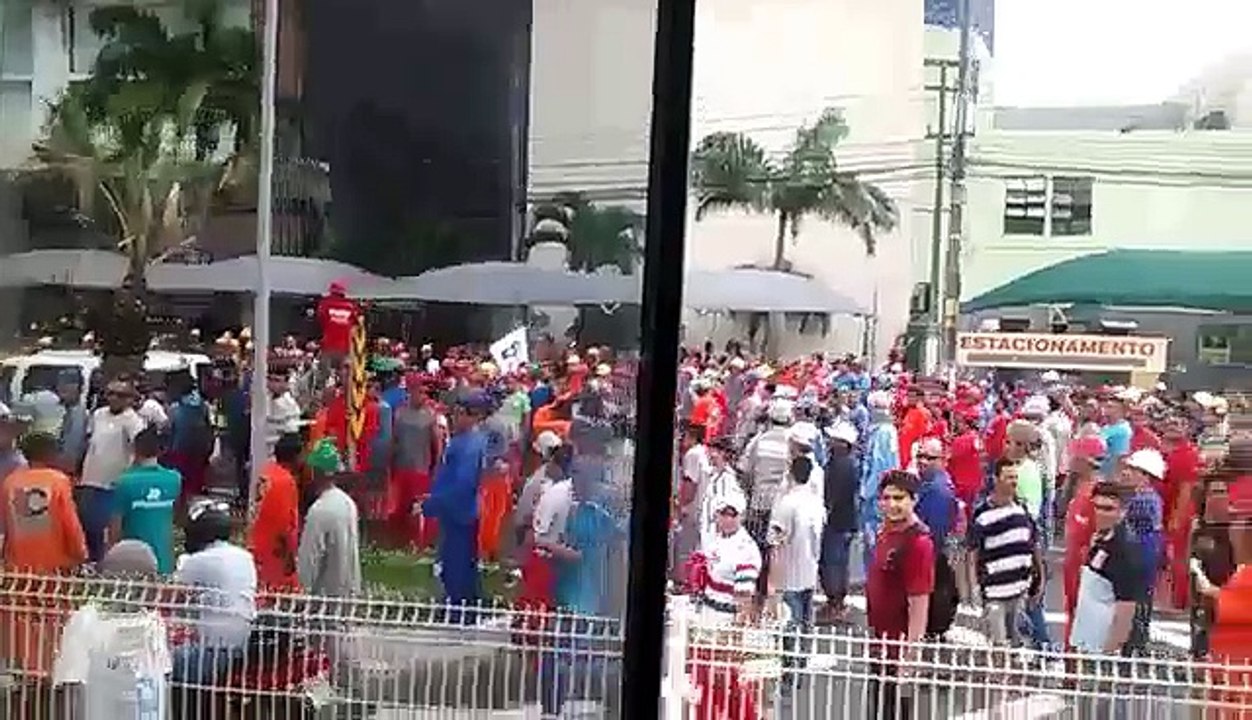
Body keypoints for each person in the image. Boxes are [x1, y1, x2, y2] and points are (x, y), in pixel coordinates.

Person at [865, 470, 934, 720]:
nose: (891, 504)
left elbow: (919, 600)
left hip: (898, 647)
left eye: (899, 498)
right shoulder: (886, 532)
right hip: (880, 644)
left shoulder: (918, 543)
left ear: (913, 500)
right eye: (886, 498)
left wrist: (911, 654)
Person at [173, 499, 257, 686]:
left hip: (212, 650)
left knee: (164, 663)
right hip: (243, 644)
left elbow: (172, 597)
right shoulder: (245, 557)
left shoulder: (198, 561)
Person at [423, 391, 490, 612]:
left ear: (474, 416)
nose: (455, 418)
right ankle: (464, 605)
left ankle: (459, 611)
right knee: (458, 564)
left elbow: (462, 484)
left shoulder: (470, 445)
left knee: (457, 566)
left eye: (461, 414)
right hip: (455, 512)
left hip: (459, 513)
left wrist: (433, 504)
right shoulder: (463, 441)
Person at [967, 458, 1041, 647]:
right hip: (994, 592)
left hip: (1020, 589)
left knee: (1018, 642)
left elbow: (1033, 545)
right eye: (1009, 477)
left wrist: (1038, 579)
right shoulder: (982, 513)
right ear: (996, 479)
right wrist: (974, 587)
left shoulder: (1022, 509)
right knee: (999, 643)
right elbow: (972, 553)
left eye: (1015, 477)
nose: (1014, 482)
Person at [768, 455, 825, 695]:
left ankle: (789, 675)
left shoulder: (787, 504)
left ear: (791, 473)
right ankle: (799, 668)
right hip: (809, 572)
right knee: (804, 624)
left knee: (789, 625)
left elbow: (775, 541)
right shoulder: (816, 503)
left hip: (789, 574)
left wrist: (772, 581)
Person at [1069, 482, 1144, 657]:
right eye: (1096, 507)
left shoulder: (1125, 551)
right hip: (1084, 641)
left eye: (1108, 509)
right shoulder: (1099, 539)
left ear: (1122, 512)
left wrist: (1111, 649)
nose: (1100, 513)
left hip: (1102, 648)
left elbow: (1126, 606)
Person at [0, 432, 87, 573]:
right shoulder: (58, 481)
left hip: (18, 567)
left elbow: (6, 527)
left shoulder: (10, 482)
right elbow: (70, 523)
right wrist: (80, 553)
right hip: (54, 566)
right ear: (49, 454)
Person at [79, 380, 146, 562]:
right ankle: (91, 564)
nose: (114, 398)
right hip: (90, 480)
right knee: (87, 526)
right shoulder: (99, 414)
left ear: (131, 399)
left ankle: (105, 567)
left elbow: (140, 451)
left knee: (106, 531)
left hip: (112, 484)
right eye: (110, 393)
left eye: (121, 395)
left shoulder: (134, 421)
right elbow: (89, 442)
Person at [110, 427, 181, 574]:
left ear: (135, 449)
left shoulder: (124, 482)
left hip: (133, 565)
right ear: (160, 450)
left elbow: (115, 527)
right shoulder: (174, 479)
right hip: (164, 562)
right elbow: (175, 516)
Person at [297, 439, 362, 597]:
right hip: (348, 593)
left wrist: (299, 593)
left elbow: (309, 561)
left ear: (315, 472)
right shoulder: (348, 503)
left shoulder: (319, 511)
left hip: (325, 599)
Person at [249, 433, 302, 591]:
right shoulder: (286, 481)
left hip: (256, 545)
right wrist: (291, 558)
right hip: (275, 554)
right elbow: (286, 526)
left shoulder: (266, 473)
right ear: (295, 456)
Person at [820, 420, 859, 622]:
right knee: (839, 563)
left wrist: (825, 513)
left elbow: (831, 495)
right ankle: (836, 602)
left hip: (836, 522)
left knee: (832, 564)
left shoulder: (839, 465)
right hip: (845, 521)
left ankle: (835, 604)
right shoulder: (848, 462)